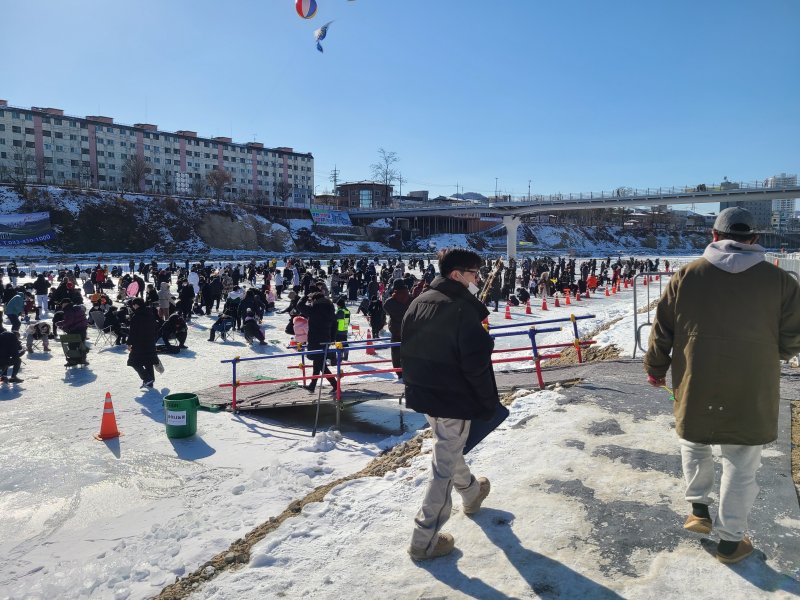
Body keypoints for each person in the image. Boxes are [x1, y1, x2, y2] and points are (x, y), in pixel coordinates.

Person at [644, 207, 800, 565]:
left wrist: (655, 368)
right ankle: (730, 542)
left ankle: (698, 509)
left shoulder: (688, 274)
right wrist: (767, 353)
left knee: (694, 440)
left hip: (695, 378)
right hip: (752, 383)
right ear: (755, 240)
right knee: (741, 462)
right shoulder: (780, 281)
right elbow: (794, 335)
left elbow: (662, 329)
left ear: (713, 236)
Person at [401, 248, 498, 560]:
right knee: (442, 467)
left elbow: (404, 351)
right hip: (453, 397)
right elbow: (476, 366)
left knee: (448, 447)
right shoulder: (461, 309)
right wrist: (487, 404)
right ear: (457, 275)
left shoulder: (419, 301)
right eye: (474, 274)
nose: (478, 279)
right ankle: (424, 539)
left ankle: (471, 492)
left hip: (427, 394)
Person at [297, 292, 338, 394]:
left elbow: (299, 306)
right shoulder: (330, 308)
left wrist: (306, 296)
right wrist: (332, 338)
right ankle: (312, 385)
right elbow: (334, 324)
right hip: (326, 339)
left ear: (315, 300)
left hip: (316, 339)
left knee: (321, 364)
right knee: (318, 362)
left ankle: (335, 385)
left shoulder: (316, 308)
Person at [127, 297, 159, 388]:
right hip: (150, 342)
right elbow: (156, 327)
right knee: (148, 361)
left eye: (133, 305)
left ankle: (147, 378)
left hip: (139, 344)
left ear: (136, 305)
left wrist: (129, 343)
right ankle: (150, 382)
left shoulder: (136, 316)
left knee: (133, 361)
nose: (133, 307)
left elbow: (132, 332)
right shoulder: (150, 313)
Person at [383, 278, 411, 380]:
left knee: (396, 354)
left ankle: (399, 373)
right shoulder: (411, 299)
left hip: (396, 332)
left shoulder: (390, 302)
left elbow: (385, 306)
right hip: (409, 332)